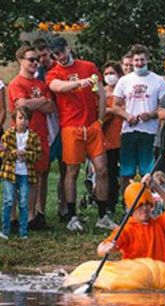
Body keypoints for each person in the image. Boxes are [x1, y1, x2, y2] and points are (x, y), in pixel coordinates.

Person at [45, 36, 112, 231]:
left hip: (92, 126)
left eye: (62, 51)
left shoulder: (88, 66)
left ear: (68, 47)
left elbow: (100, 93)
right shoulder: (54, 72)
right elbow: (57, 87)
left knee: (102, 169)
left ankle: (102, 215)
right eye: (56, 54)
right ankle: (72, 215)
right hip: (71, 127)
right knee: (71, 171)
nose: (60, 57)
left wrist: (99, 120)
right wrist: (78, 83)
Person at [7, 45, 55, 229]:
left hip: (40, 136)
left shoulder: (41, 84)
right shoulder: (16, 84)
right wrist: (41, 101)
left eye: (37, 59)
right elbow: (22, 106)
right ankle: (12, 218)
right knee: (18, 177)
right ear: (20, 60)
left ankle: (31, 216)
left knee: (36, 176)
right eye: (31, 59)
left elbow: (50, 107)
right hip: (21, 137)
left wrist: (36, 103)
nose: (36, 62)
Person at [113, 44, 165, 190]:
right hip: (129, 131)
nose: (139, 63)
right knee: (127, 171)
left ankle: (148, 202)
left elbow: (163, 108)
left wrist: (150, 114)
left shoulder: (158, 81)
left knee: (148, 171)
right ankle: (127, 204)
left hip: (149, 132)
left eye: (142, 60)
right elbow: (116, 105)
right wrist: (127, 116)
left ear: (147, 60)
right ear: (132, 61)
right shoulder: (124, 81)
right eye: (136, 60)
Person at [97, 174, 165, 263]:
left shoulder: (160, 224)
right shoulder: (127, 229)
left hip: (161, 275)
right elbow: (101, 248)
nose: (144, 208)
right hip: (138, 275)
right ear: (131, 208)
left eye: (147, 204)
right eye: (140, 205)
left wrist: (156, 186)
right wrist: (106, 248)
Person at [33, 37, 66, 221]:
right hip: (46, 125)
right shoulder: (35, 73)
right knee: (42, 171)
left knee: (65, 168)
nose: (42, 60)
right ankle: (40, 211)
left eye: (44, 55)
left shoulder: (58, 69)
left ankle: (64, 208)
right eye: (38, 57)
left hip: (64, 121)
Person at [0, 107, 42, 239]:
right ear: (14, 119)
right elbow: (3, 153)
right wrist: (15, 153)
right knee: (8, 200)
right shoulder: (7, 135)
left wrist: (27, 155)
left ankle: (23, 231)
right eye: (20, 118)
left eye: (26, 119)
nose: (23, 121)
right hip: (9, 173)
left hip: (25, 173)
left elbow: (37, 154)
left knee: (24, 202)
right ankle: (5, 230)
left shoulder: (33, 137)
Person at [101, 61, 125, 215]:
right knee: (109, 173)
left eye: (112, 73)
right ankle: (109, 204)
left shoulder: (124, 91)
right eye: (106, 74)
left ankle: (126, 202)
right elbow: (100, 114)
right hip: (108, 139)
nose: (109, 77)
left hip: (123, 138)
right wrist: (114, 110)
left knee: (125, 173)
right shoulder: (101, 93)